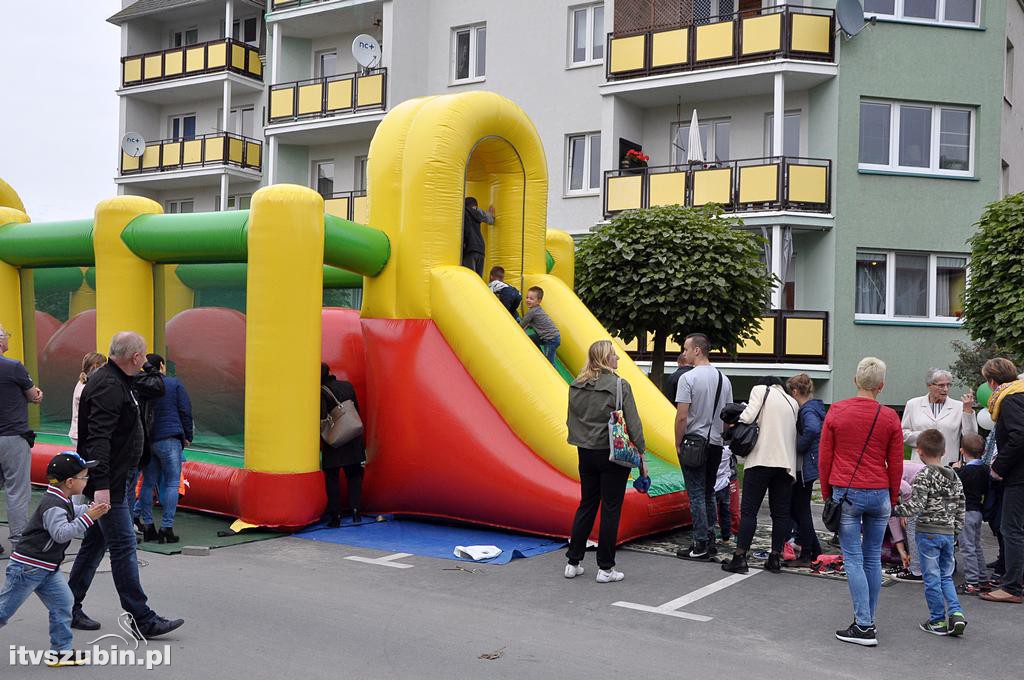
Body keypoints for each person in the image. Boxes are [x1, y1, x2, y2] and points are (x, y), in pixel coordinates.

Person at [67, 331, 183, 638]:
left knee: (95, 544)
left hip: (115, 477)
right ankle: (141, 617)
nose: (146, 361)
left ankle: (67, 605)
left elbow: (154, 389)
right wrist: (102, 485)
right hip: (110, 482)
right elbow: (98, 439)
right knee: (123, 547)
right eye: (143, 356)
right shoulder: (108, 384)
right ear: (134, 357)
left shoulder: (120, 380)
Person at [819, 357, 904, 647]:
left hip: (847, 491)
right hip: (879, 493)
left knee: (853, 558)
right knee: (872, 559)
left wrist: (828, 495)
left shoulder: (837, 411)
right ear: (881, 385)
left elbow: (825, 457)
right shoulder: (890, 417)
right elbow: (895, 463)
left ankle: (864, 625)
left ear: (856, 381)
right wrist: (892, 497)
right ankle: (868, 620)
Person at [0, 453, 109, 665]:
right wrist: (89, 518)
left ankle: (61, 651)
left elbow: (71, 511)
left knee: (64, 603)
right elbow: (61, 533)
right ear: (70, 482)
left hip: (47, 567)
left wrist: (89, 509)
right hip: (27, 568)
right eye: (84, 477)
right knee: (4, 610)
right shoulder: (54, 505)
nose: (86, 481)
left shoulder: (61, 499)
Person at [565, 340, 645, 583]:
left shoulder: (576, 385)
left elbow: (571, 419)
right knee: (610, 509)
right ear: (606, 359)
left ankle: (573, 561)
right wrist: (641, 452)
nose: (618, 360)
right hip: (612, 452)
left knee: (587, 503)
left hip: (585, 450)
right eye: (614, 356)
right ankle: (605, 568)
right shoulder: (620, 385)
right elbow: (633, 424)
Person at [893, 429, 967, 636]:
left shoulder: (923, 475)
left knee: (931, 578)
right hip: (948, 534)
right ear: (943, 452)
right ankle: (956, 612)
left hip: (928, 533)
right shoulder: (954, 477)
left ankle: (937, 620)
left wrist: (895, 510)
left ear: (920, 452)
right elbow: (962, 506)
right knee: (945, 576)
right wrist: (956, 531)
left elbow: (915, 505)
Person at [721, 377, 798, 574]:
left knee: (749, 511)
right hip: (785, 465)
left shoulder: (760, 390)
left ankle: (739, 557)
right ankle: (775, 558)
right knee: (780, 514)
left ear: (766, 383)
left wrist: (736, 414)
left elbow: (747, 417)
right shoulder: (792, 402)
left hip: (761, 460)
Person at [674, 333, 733, 560]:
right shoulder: (723, 379)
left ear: (697, 350)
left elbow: (682, 416)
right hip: (716, 443)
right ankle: (710, 539)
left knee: (696, 494)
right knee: (709, 492)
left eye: (686, 349)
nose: (684, 353)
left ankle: (699, 544)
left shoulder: (688, 379)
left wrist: (678, 442)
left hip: (694, 442)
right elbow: (727, 416)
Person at [980, 357, 1024, 604]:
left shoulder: (1010, 399)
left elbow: (1020, 435)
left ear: (992, 381)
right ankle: (1015, 578)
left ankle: (1012, 587)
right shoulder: (1020, 394)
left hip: (1018, 476)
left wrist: (998, 465)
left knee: (1012, 529)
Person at [137, 354, 192, 544]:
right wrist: (187, 436)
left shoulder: (140, 384)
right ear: (161, 366)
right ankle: (166, 528)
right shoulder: (173, 384)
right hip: (169, 437)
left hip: (148, 439)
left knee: (147, 482)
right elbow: (185, 410)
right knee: (171, 482)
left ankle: (148, 526)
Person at [0, 322, 43, 556]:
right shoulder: (13, 367)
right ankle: (19, 543)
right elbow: (33, 395)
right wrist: (36, 395)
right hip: (12, 436)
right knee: (17, 491)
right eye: (6, 335)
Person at [320, 363, 366, 527]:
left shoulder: (321, 391)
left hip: (335, 440)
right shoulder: (347, 386)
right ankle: (356, 511)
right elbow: (356, 409)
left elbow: (323, 417)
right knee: (354, 475)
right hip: (353, 437)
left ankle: (336, 515)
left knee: (332, 477)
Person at [786, 373, 825, 567]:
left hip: (805, 466)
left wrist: (799, 446)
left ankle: (807, 553)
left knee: (800, 509)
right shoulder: (815, 407)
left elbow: (812, 429)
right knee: (799, 508)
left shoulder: (806, 411)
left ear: (794, 391)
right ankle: (815, 549)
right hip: (810, 464)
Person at [902, 368, 978, 466]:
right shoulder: (913, 404)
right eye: (941, 385)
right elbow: (903, 434)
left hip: (948, 464)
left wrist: (968, 411)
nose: (945, 389)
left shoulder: (959, 406)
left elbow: (971, 437)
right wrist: (925, 437)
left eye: (948, 385)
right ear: (929, 386)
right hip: (920, 464)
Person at [954, 433, 990, 595]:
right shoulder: (985, 468)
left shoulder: (966, 472)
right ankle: (983, 578)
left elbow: (955, 486)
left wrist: (955, 470)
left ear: (962, 451)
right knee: (976, 546)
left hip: (966, 511)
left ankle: (971, 581)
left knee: (967, 547)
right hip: (978, 510)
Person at [69, 352, 106, 448]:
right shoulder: (86, 386)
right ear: (96, 366)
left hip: (79, 433)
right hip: (81, 434)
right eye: (104, 366)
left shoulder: (83, 383)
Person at [520, 287, 560, 365]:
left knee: (549, 362)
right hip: (548, 336)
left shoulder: (532, 312)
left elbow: (521, 325)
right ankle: (540, 356)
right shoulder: (537, 309)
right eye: (527, 297)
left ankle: (554, 375)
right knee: (531, 339)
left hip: (551, 339)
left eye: (531, 299)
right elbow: (529, 324)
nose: (528, 300)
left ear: (539, 301)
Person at [461, 197, 494, 276]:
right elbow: (490, 220)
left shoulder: (463, 212)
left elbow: (466, 231)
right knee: (478, 278)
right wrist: (490, 214)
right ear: (475, 206)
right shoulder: (478, 212)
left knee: (469, 276)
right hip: (481, 248)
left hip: (470, 248)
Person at [713, 446, 736, 546]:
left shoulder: (710, 450)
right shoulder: (727, 451)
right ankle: (726, 537)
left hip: (713, 486)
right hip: (725, 485)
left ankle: (710, 536)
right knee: (725, 512)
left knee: (711, 513)